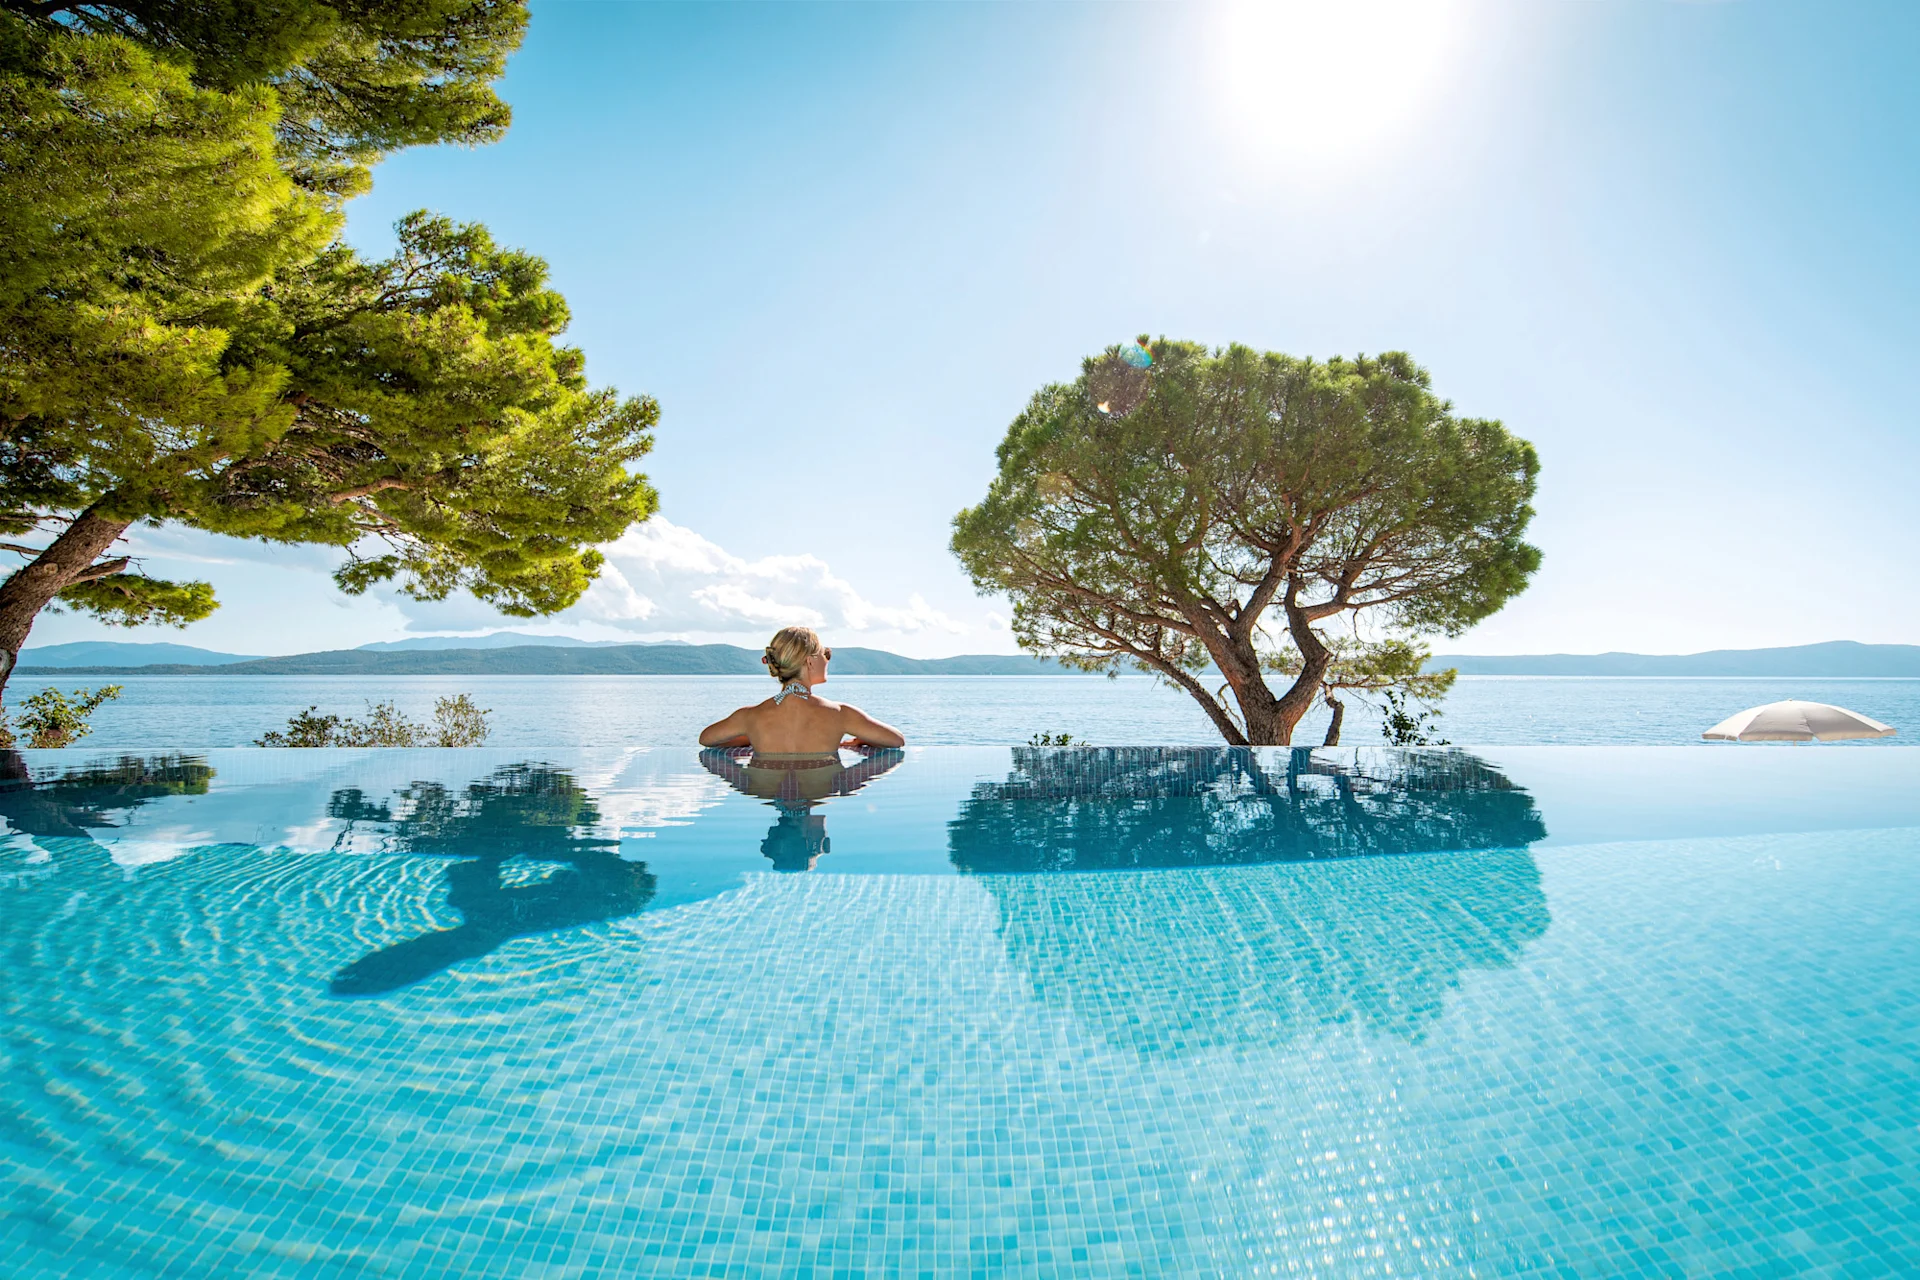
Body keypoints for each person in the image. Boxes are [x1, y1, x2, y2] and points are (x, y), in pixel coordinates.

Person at [698, 626, 905, 756]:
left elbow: (706, 739)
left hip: (765, 789)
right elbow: (896, 741)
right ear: (809, 661)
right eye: (826, 653)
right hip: (821, 788)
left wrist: (753, 738)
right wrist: (861, 740)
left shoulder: (750, 716)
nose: (828, 658)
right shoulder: (841, 714)